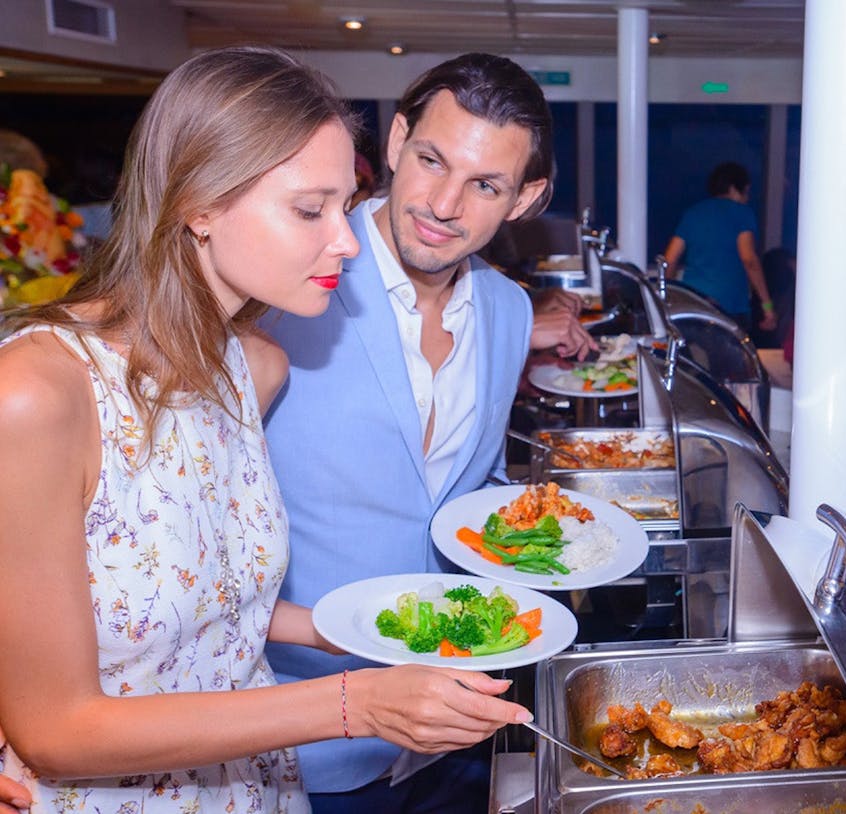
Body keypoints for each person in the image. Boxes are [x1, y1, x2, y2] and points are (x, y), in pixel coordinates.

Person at [0, 45, 532, 813]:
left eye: (344, 203)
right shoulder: (39, 389)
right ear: (199, 204)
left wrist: (353, 632)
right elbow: (57, 728)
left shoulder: (254, 366)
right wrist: (355, 703)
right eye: (310, 210)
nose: (347, 240)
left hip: (253, 788)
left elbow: (204, 601)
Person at [258, 53, 591, 813]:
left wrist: (548, 527)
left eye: (485, 185)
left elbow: (451, 495)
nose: (444, 204)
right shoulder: (287, 271)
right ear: (399, 138)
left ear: (525, 198)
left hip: (452, 724)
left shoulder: (507, 311)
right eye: (432, 160)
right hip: (307, 736)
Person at [662, 161, 778, 333]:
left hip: (693, 303)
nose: (747, 198)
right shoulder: (742, 213)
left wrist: (667, 299)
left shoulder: (692, 213)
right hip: (729, 306)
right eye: (746, 191)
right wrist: (767, 305)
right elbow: (749, 259)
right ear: (733, 188)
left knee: (695, 358)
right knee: (732, 359)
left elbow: (669, 260)